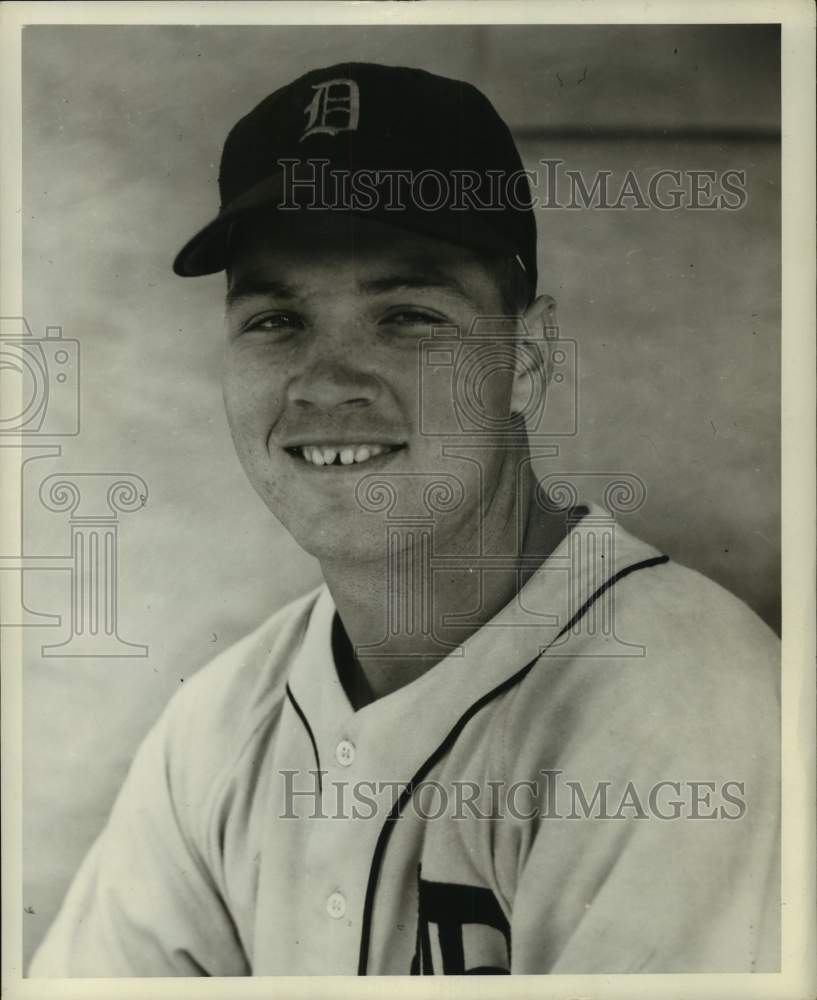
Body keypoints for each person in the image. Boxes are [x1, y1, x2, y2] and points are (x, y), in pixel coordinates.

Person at [30, 62, 780, 977]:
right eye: (276, 320)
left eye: (409, 316)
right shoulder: (218, 729)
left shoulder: (682, 710)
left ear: (529, 358)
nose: (327, 380)